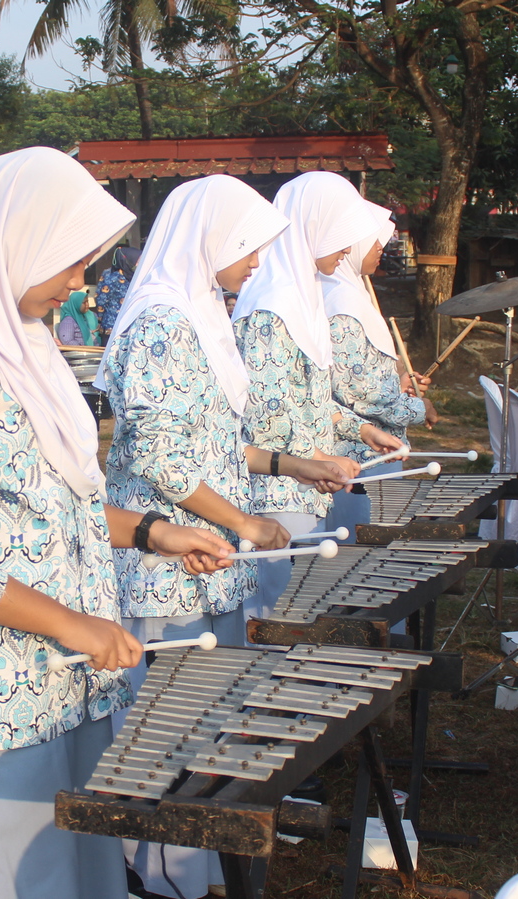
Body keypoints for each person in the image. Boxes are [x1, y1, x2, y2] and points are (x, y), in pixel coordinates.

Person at [0, 147, 234, 899]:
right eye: (71, 261)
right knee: (10, 874)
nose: (81, 282)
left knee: (77, 861)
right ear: (16, 239)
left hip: (68, 675)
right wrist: (71, 622)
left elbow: (53, 507)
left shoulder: (25, 344)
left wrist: (153, 532)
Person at [97, 174, 349, 899]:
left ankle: (202, 867)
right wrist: (243, 520)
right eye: (248, 248)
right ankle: (162, 873)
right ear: (210, 238)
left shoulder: (203, 313)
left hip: (210, 557)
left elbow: (211, 443)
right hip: (167, 564)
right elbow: (162, 458)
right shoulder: (159, 321)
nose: (257, 264)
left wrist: (291, 464)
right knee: (166, 728)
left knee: (210, 726)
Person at [233, 171, 401, 622]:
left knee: (302, 617)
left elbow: (308, 398)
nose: (348, 249)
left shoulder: (298, 297)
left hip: (305, 485)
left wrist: (361, 429)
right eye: (340, 237)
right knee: (276, 620)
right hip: (278, 491)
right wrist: (319, 458)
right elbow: (267, 416)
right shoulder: (271, 305)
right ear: (312, 227)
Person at [322, 200, 434, 540]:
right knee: (351, 555)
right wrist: (419, 407)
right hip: (353, 458)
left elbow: (356, 376)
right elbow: (363, 393)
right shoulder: (341, 303)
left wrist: (397, 382)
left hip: (372, 451)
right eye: (374, 241)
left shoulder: (351, 292)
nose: (381, 249)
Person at [94, 246, 138, 340]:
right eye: (137, 261)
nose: (138, 264)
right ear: (128, 259)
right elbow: (101, 299)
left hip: (128, 324)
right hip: (112, 326)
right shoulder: (114, 277)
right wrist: (101, 319)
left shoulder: (132, 276)